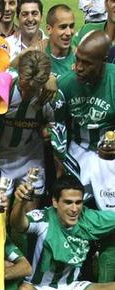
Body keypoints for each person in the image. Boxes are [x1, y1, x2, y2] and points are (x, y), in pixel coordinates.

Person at [10, 175, 115, 290]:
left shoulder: (89, 218)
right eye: (68, 202)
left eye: (78, 202)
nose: (74, 209)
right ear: (54, 202)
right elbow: (18, 224)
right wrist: (20, 202)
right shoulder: (43, 219)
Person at [52, 30, 115, 211]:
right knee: (71, 210)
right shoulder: (65, 83)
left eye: (86, 63)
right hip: (76, 152)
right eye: (77, 59)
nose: (78, 67)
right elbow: (57, 127)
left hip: (109, 155)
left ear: (103, 61)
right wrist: (59, 166)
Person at [0, 50, 51, 207]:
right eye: (23, 87)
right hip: (0, 158)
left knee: (29, 218)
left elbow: (55, 127)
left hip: (31, 159)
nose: (25, 94)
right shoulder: (2, 87)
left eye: (32, 90)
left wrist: (47, 130)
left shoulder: (49, 96)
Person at [44, 4, 76, 78]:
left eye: (71, 26)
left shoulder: (79, 60)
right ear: (49, 29)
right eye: (63, 27)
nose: (68, 33)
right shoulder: (38, 55)